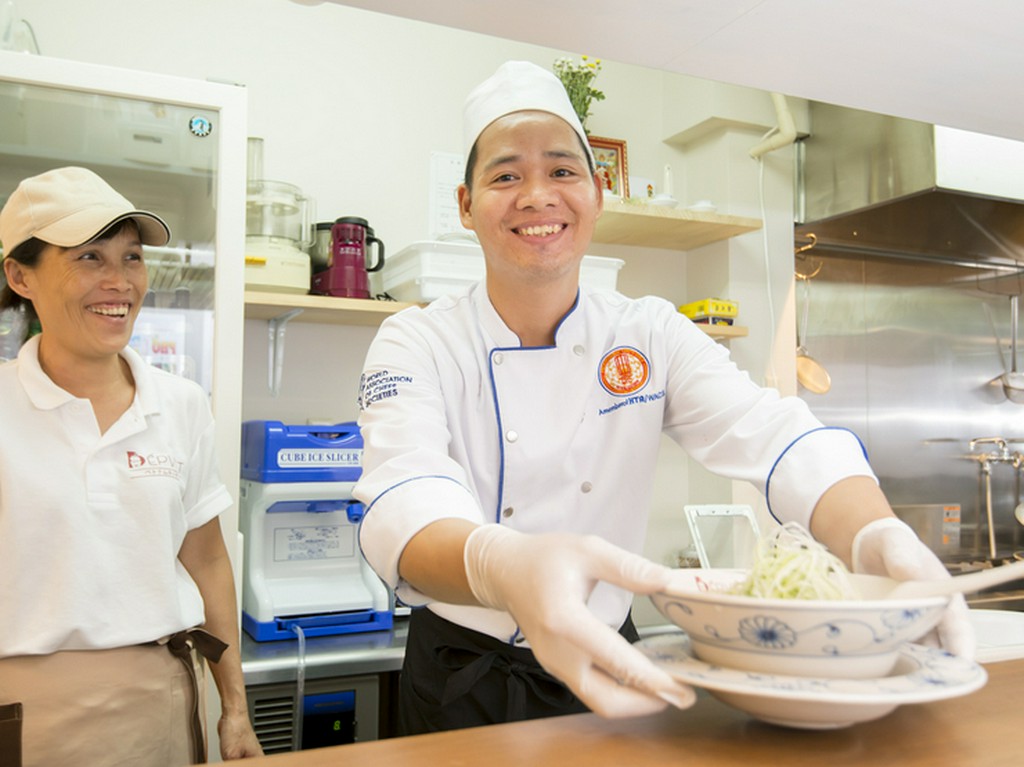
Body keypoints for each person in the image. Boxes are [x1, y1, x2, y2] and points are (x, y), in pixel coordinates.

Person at [352, 61, 975, 735]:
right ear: (466, 204)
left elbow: (774, 433)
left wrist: (875, 532)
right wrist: (498, 566)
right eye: (506, 175)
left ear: (596, 191)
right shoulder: (416, 340)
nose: (537, 195)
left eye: (562, 170)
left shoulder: (647, 331)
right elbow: (404, 499)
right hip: (458, 679)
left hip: (611, 666)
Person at [0, 167, 263, 765]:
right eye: (90, 257)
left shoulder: (181, 404)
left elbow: (208, 561)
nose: (119, 282)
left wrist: (236, 708)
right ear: (21, 275)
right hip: (22, 712)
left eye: (132, 257)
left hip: (162, 700)